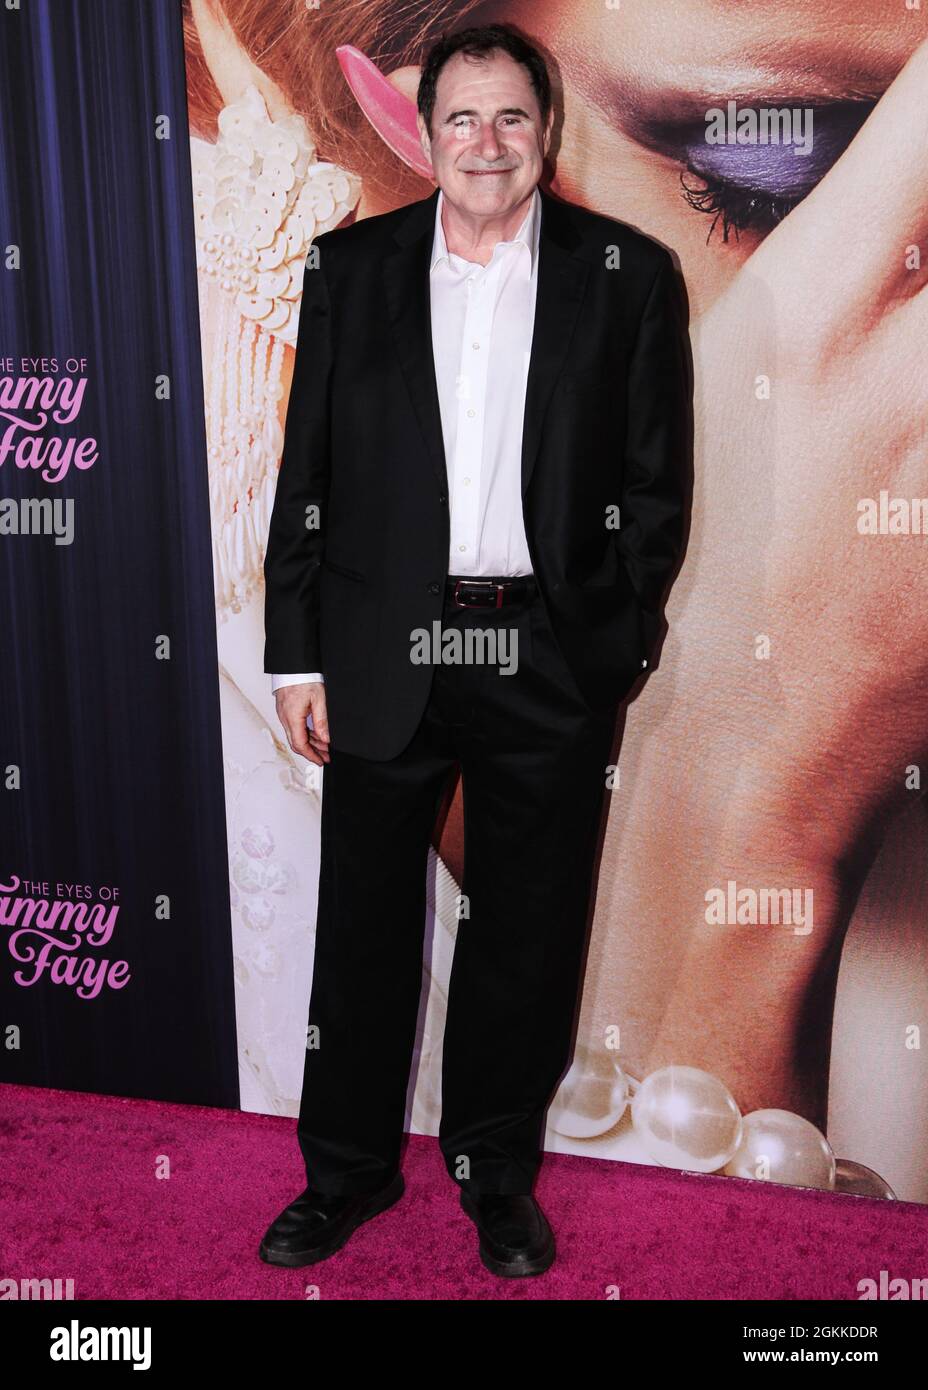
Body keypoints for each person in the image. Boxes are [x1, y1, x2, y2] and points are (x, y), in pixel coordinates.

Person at [259, 23, 689, 1276]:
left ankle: (494, 1173)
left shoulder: (629, 275)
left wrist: (607, 640)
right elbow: (309, 478)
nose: (486, 144)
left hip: (540, 657)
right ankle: (342, 1177)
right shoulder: (352, 268)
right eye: (462, 118)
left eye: (511, 118)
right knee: (363, 932)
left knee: (525, 934)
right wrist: (297, 657)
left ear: (544, 132)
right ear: (426, 130)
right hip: (386, 645)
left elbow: (658, 490)